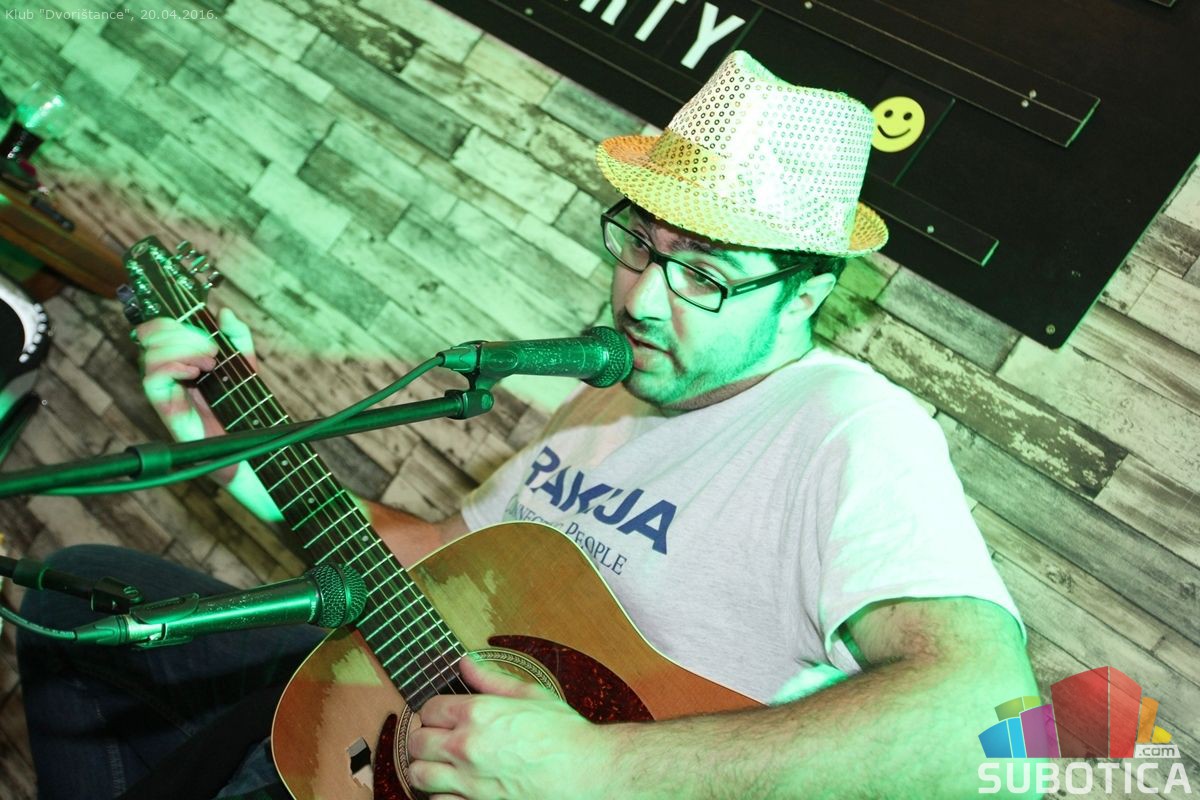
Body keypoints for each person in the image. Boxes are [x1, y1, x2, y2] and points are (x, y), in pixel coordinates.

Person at [18, 50, 1038, 799]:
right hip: (417, 725)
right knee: (79, 594)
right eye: (641, 247)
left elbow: (993, 726)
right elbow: (445, 565)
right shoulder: (623, 384)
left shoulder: (849, 426)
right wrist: (232, 451)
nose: (641, 298)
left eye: (706, 276)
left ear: (806, 296)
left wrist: (594, 767)